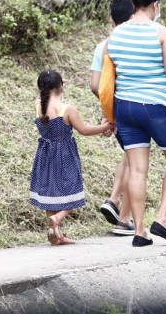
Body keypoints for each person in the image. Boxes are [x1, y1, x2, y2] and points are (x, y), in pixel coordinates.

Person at [107, 0, 166, 247]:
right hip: (158, 107)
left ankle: (140, 230)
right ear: (156, 5)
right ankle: (163, 218)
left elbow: (111, 76)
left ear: (133, 5)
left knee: (137, 170)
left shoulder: (116, 34)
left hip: (125, 108)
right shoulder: (161, 33)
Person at [30, 69, 111, 245]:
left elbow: (44, 96)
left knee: (50, 195)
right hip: (64, 155)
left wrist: (58, 86)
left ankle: (56, 235)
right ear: (61, 87)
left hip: (44, 156)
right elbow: (85, 130)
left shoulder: (38, 106)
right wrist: (106, 126)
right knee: (73, 192)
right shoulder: (67, 109)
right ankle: (57, 218)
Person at [90, 0, 136, 236]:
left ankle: (114, 199)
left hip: (113, 109)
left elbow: (96, 84)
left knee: (129, 157)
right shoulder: (132, 43)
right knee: (136, 162)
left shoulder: (103, 46)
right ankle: (124, 219)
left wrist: (107, 113)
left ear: (110, 19)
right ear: (133, 17)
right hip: (133, 107)